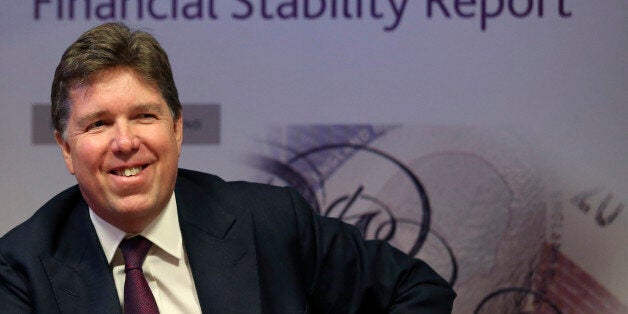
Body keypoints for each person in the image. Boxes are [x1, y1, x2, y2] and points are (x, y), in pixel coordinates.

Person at [0, 22, 455, 313]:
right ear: (65, 149)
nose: (125, 142)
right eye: (98, 124)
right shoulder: (20, 269)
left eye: (144, 116)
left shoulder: (270, 220)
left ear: (177, 130)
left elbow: (415, 290)